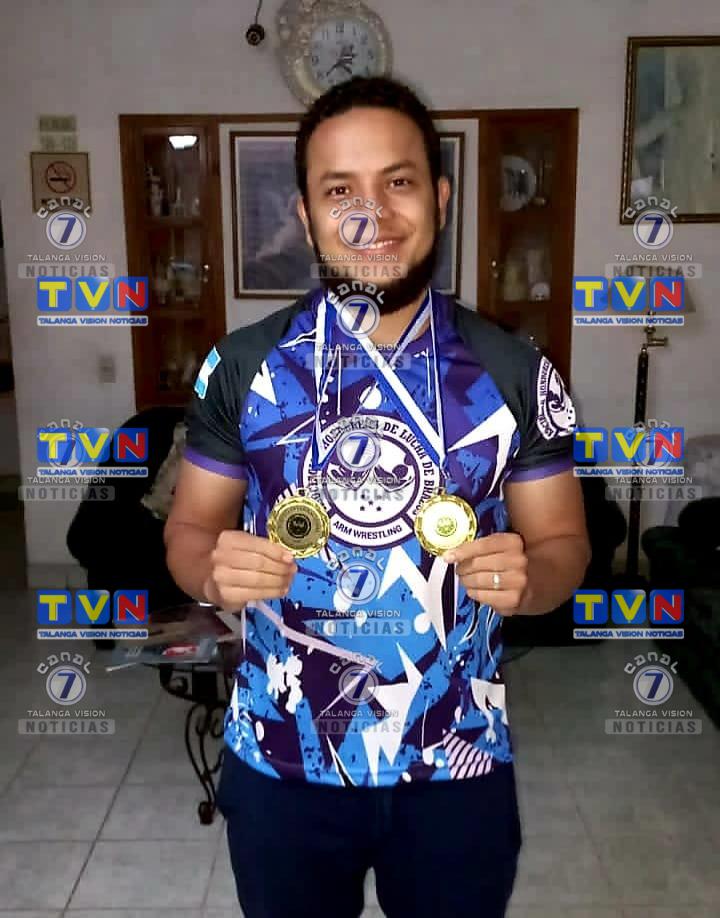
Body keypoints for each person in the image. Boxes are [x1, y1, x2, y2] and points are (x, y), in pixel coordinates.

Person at [165, 76, 590, 918]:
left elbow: (564, 546)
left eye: (397, 181)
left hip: (457, 760)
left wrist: (533, 579)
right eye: (339, 191)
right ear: (306, 213)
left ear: (440, 197)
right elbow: (187, 531)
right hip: (283, 759)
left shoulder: (514, 370)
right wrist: (212, 573)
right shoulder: (242, 367)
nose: (370, 214)